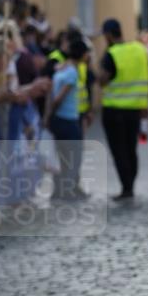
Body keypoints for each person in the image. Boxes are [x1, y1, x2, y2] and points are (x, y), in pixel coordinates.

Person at [99, 18, 148, 201]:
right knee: (131, 149)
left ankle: (126, 187)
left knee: (118, 150)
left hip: (113, 111)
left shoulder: (111, 53)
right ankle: (130, 185)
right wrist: (146, 106)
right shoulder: (139, 49)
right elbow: (147, 78)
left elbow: (103, 79)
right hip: (136, 110)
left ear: (108, 34)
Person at [46, 39, 89, 200]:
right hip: (68, 119)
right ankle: (67, 190)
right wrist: (52, 112)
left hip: (59, 120)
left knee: (62, 157)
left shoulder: (60, 67)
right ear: (83, 54)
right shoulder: (72, 72)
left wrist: (49, 116)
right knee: (73, 157)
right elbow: (60, 97)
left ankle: (59, 190)